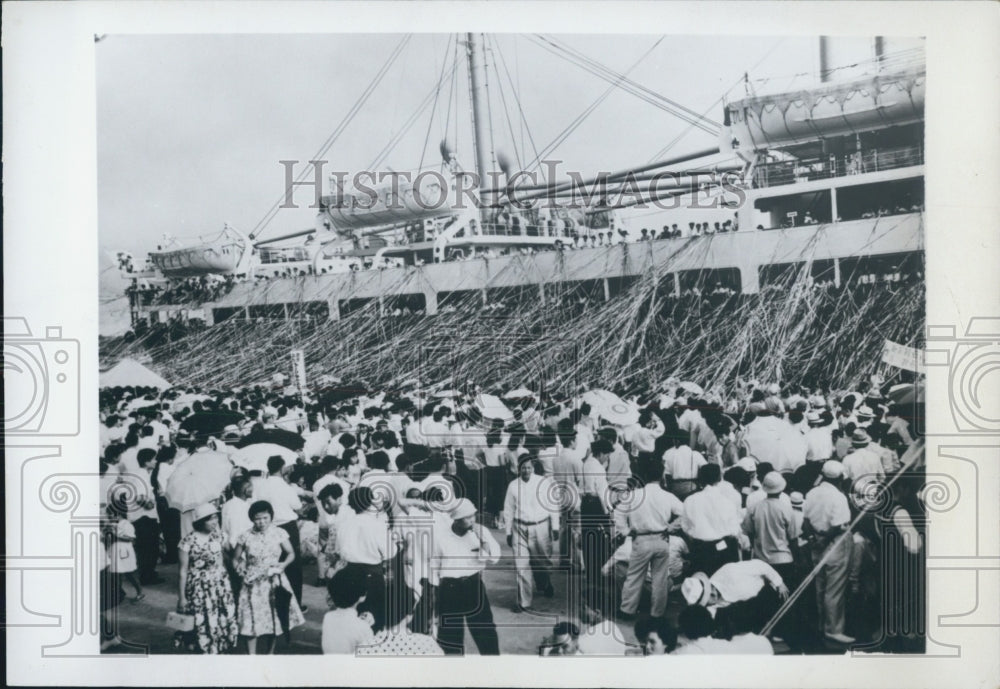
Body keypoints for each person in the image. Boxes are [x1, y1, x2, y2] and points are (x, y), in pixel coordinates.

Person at [614, 459, 683, 620]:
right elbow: (684, 513)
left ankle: (627, 610)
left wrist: (625, 531)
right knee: (660, 578)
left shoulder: (633, 496)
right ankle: (657, 613)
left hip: (641, 538)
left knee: (635, 575)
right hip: (662, 538)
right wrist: (672, 528)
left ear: (643, 476)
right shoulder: (667, 496)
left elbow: (617, 514)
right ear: (661, 476)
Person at [233, 500, 305, 654]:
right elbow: (235, 558)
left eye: (265, 517)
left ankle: (270, 653)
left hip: (274, 581)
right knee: (251, 620)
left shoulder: (279, 533)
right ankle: (251, 656)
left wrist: (283, 565)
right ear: (252, 518)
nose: (262, 522)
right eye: (258, 518)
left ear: (271, 516)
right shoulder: (245, 536)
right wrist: (239, 568)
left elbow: (291, 553)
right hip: (252, 583)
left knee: (274, 619)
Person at [431, 498, 501, 655]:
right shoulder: (440, 537)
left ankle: (494, 667)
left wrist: (483, 540)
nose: (472, 520)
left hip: (473, 585)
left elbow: (494, 558)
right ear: (456, 518)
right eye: (467, 517)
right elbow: (434, 566)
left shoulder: (481, 532)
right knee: (450, 634)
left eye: (473, 516)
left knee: (485, 630)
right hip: (449, 589)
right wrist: (434, 594)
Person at [803, 460, 855, 645]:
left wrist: (813, 539)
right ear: (840, 478)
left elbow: (806, 520)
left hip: (816, 541)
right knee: (834, 589)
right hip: (834, 542)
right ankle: (833, 629)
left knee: (821, 586)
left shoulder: (812, 492)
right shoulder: (838, 497)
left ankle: (821, 624)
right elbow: (838, 524)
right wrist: (824, 539)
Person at [177, 503, 239, 654]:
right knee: (201, 617)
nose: (214, 522)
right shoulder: (187, 541)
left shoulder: (219, 536)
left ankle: (220, 647)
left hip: (220, 585)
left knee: (221, 614)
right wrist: (182, 597)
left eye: (216, 518)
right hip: (198, 587)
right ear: (200, 521)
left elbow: (231, 557)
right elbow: (183, 571)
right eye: (209, 519)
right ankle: (204, 649)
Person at [503, 453, 559, 612]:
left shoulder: (543, 483)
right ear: (518, 469)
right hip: (519, 527)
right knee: (522, 565)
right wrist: (508, 531)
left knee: (541, 562)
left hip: (540, 527)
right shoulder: (513, 486)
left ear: (533, 468)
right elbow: (508, 510)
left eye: (529, 467)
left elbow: (553, 505)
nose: (526, 470)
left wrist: (555, 527)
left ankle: (545, 583)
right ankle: (524, 602)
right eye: (523, 468)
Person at [252, 455, 305, 609]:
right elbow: (297, 506)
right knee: (292, 565)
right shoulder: (284, 486)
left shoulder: (261, 486)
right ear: (282, 468)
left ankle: (272, 601)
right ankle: (294, 604)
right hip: (287, 527)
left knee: (271, 562)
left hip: (268, 527)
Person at [682, 464, 743, 575]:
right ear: (719, 478)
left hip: (700, 549)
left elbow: (685, 527)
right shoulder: (727, 501)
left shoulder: (690, 500)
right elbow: (735, 530)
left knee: (702, 585)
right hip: (725, 548)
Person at [321, 566, 375, 654]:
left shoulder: (328, 617)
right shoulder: (363, 628)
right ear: (363, 596)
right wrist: (366, 626)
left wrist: (361, 623)